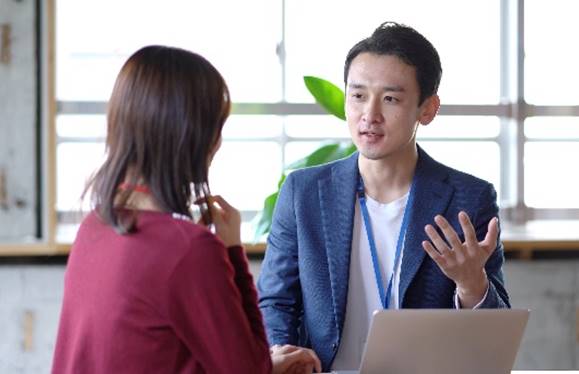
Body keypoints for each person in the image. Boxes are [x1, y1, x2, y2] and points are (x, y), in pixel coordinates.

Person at [257, 22, 511, 371]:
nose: (369, 115)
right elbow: (275, 302)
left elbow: (494, 341)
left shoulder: (469, 199)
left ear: (428, 109)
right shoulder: (303, 193)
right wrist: (281, 354)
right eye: (358, 95)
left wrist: (472, 285)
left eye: (390, 98)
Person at [52, 45, 321, 374]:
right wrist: (233, 251)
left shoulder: (95, 227)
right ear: (195, 135)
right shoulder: (187, 248)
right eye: (216, 125)